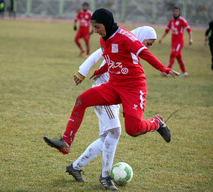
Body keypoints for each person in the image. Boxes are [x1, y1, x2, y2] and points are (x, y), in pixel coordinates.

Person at [44, 8, 179, 190]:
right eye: (93, 27)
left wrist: (163, 68)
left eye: (97, 26)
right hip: (114, 86)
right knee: (81, 100)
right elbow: (112, 59)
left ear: (106, 24)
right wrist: (100, 70)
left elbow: (145, 54)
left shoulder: (126, 37)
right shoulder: (103, 39)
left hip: (133, 87)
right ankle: (66, 141)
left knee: (133, 129)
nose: (95, 30)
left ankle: (157, 123)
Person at [65, 26, 158, 191]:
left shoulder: (131, 46)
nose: (147, 47)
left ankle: (75, 167)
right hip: (105, 89)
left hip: (117, 92)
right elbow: (97, 54)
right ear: (141, 37)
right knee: (114, 132)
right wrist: (82, 71)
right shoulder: (122, 41)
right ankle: (105, 177)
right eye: (148, 43)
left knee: (106, 138)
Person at [158, 6, 193, 77]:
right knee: (178, 57)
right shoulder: (172, 21)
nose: (175, 13)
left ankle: (166, 72)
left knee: (173, 54)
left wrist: (190, 39)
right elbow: (167, 30)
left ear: (179, 12)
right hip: (173, 42)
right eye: (174, 11)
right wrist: (161, 38)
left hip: (179, 42)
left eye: (177, 11)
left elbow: (189, 29)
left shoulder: (182, 20)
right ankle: (184, 72)